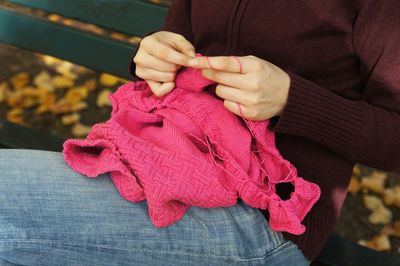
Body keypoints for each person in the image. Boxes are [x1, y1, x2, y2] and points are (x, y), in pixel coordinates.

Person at [0, 0, 399, 265]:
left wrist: (292, 100)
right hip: (156, 165)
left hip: (261, 222)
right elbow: (176, 48)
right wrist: (154, 55)